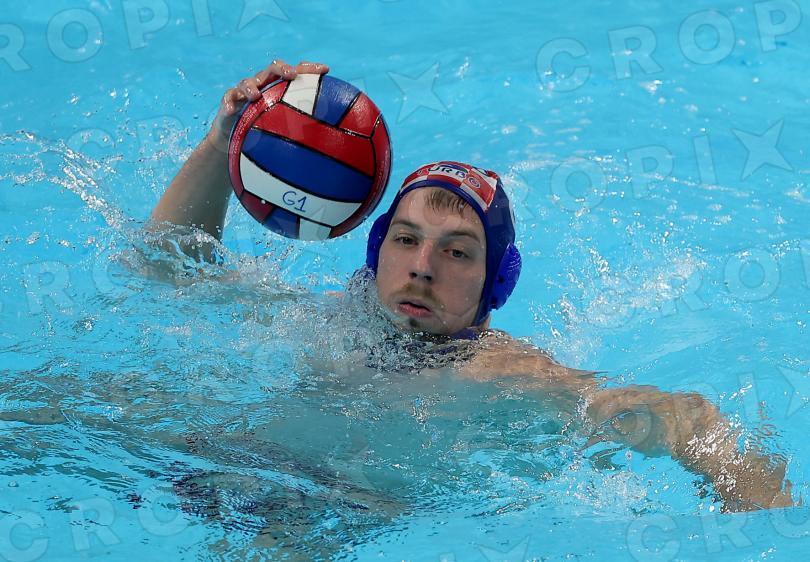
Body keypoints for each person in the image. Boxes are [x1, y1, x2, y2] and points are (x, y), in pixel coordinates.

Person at [148, 59, 794, 512]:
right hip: (218, 465)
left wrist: (753, 501)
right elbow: (169, 266)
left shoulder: (500, 372)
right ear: (376, 255)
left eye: (457, 252)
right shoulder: (325, 321)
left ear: (496, 283)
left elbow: (683, 417)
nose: (423, 266)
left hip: (337, 514)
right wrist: (221, 146)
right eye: (406, 240)